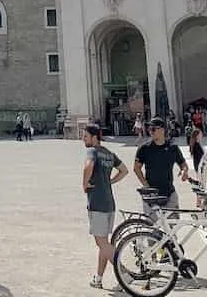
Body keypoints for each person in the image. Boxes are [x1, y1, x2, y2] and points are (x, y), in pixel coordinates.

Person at [82, 123, 124, 290]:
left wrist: (84, 184)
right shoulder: (109, 153)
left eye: (85, 136)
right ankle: (98, 278)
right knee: (104, 244)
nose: (83, 139)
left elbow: (88, 166)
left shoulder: (92, 151)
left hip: (97, 202)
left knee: (102, 243)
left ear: (94, 137)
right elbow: (124, 170)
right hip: (109, 203)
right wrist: (110, 181)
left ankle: (125, 275)